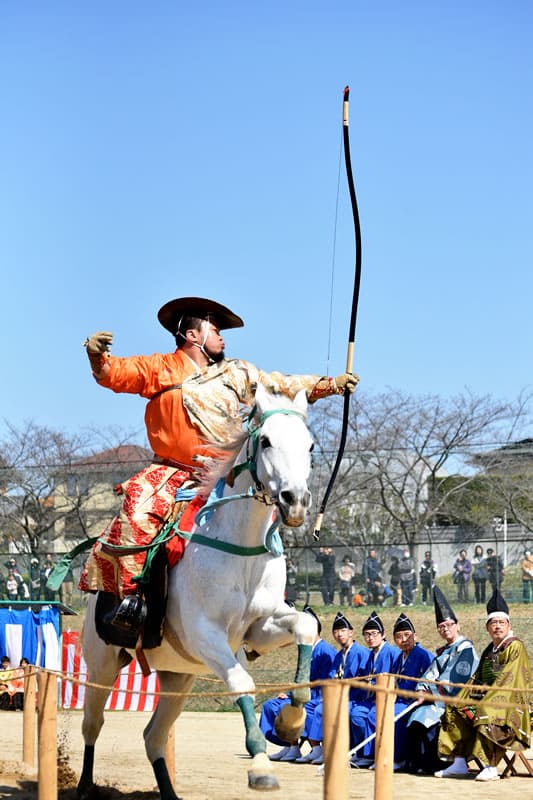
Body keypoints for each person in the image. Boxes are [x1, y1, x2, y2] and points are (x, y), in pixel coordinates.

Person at [79, 297, 358, 635]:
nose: (222, 337)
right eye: (215, 329)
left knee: (260, 510)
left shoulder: (237, 372)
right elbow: (119, 374)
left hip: (224, 470)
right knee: (138, 513)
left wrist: (330, 385)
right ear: (192, 335)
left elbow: (281, 384)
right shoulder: (161, 368)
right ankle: (135, 599)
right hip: (172, 471)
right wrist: (98, 357)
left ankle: (267, 600)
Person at [435, 589, 532, 781]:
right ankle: (460, 762)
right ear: (487, 627)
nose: (497, 627)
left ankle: (491, 765)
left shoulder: (515, 646)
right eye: (493, 623)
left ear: (508, 625)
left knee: (485, 709)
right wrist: (467, 693)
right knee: (456, 706)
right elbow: (476, 677)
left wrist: (487, 695)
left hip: (513, 701)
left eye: (501, 623)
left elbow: (511, 678)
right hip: (490, 695)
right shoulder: (490, 648)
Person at [406, 586, 479, 774]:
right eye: (441, 627)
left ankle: (439, 763)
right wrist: (422, 689)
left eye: (449, 625)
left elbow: (456, 678)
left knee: (427, 716)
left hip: (457, 699)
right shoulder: (443, 652)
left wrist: (432, 694)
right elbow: (429, 674)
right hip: (437, 698)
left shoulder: (466, 650)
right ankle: (420, 763)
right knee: (416, 717)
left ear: (458, 625)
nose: (445, 629)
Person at [261, 606, 336, 762]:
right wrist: (289, 694)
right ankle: (291, 746)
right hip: (304, 693)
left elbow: (327, 680)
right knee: (271, 705)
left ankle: (315, 747)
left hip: (318, 695)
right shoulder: (305, 649)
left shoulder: (325, 650)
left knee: (291, 708)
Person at [297, 612, 369, 765]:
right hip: (338, 695)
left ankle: (332, 749)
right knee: (309, 707)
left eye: (343, 630)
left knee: (322, 710)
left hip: (355, 697)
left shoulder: (361, 652)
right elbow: (331, 678)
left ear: (351, 632)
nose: (339, 634)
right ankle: (315, 747)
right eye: (336, 631)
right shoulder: (338, 655)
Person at [363, 613, 433, 770]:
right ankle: (375, 755)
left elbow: (430, 680)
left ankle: (398, 758)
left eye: (407, 635)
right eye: (399, 637)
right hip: (399, 699)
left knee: (391, 716)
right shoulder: (399, 657)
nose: (404, 640)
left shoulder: (424, 655)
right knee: (375, 713)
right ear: (394, 639)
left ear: (415, 636)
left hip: (415, 700)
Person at [349, 611, 400, 767]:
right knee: (355, 714)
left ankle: (373, 754)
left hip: (387, 698)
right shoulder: (371, 654)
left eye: (373, 633)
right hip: (371, 697)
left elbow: (396, 678)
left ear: (383, 634)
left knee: (369, 715)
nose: (370, 638)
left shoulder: (392, 652)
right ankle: (362, 752)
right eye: (366, 634)